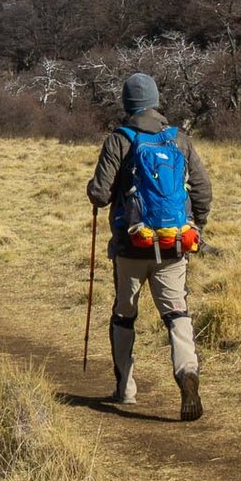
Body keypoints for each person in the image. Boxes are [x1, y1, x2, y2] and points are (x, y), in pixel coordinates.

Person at [86, 72, 213, 420]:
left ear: (127, 104)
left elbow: (100, 193)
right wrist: (195, 227)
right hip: (174, 244)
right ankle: (187, 372)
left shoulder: (120, 139)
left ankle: (125, 388)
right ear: (155, 101)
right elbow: (203, 190)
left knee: (125, 313)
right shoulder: (179, 140)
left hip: (131, 245)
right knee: (177, 313)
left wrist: (92, 189)